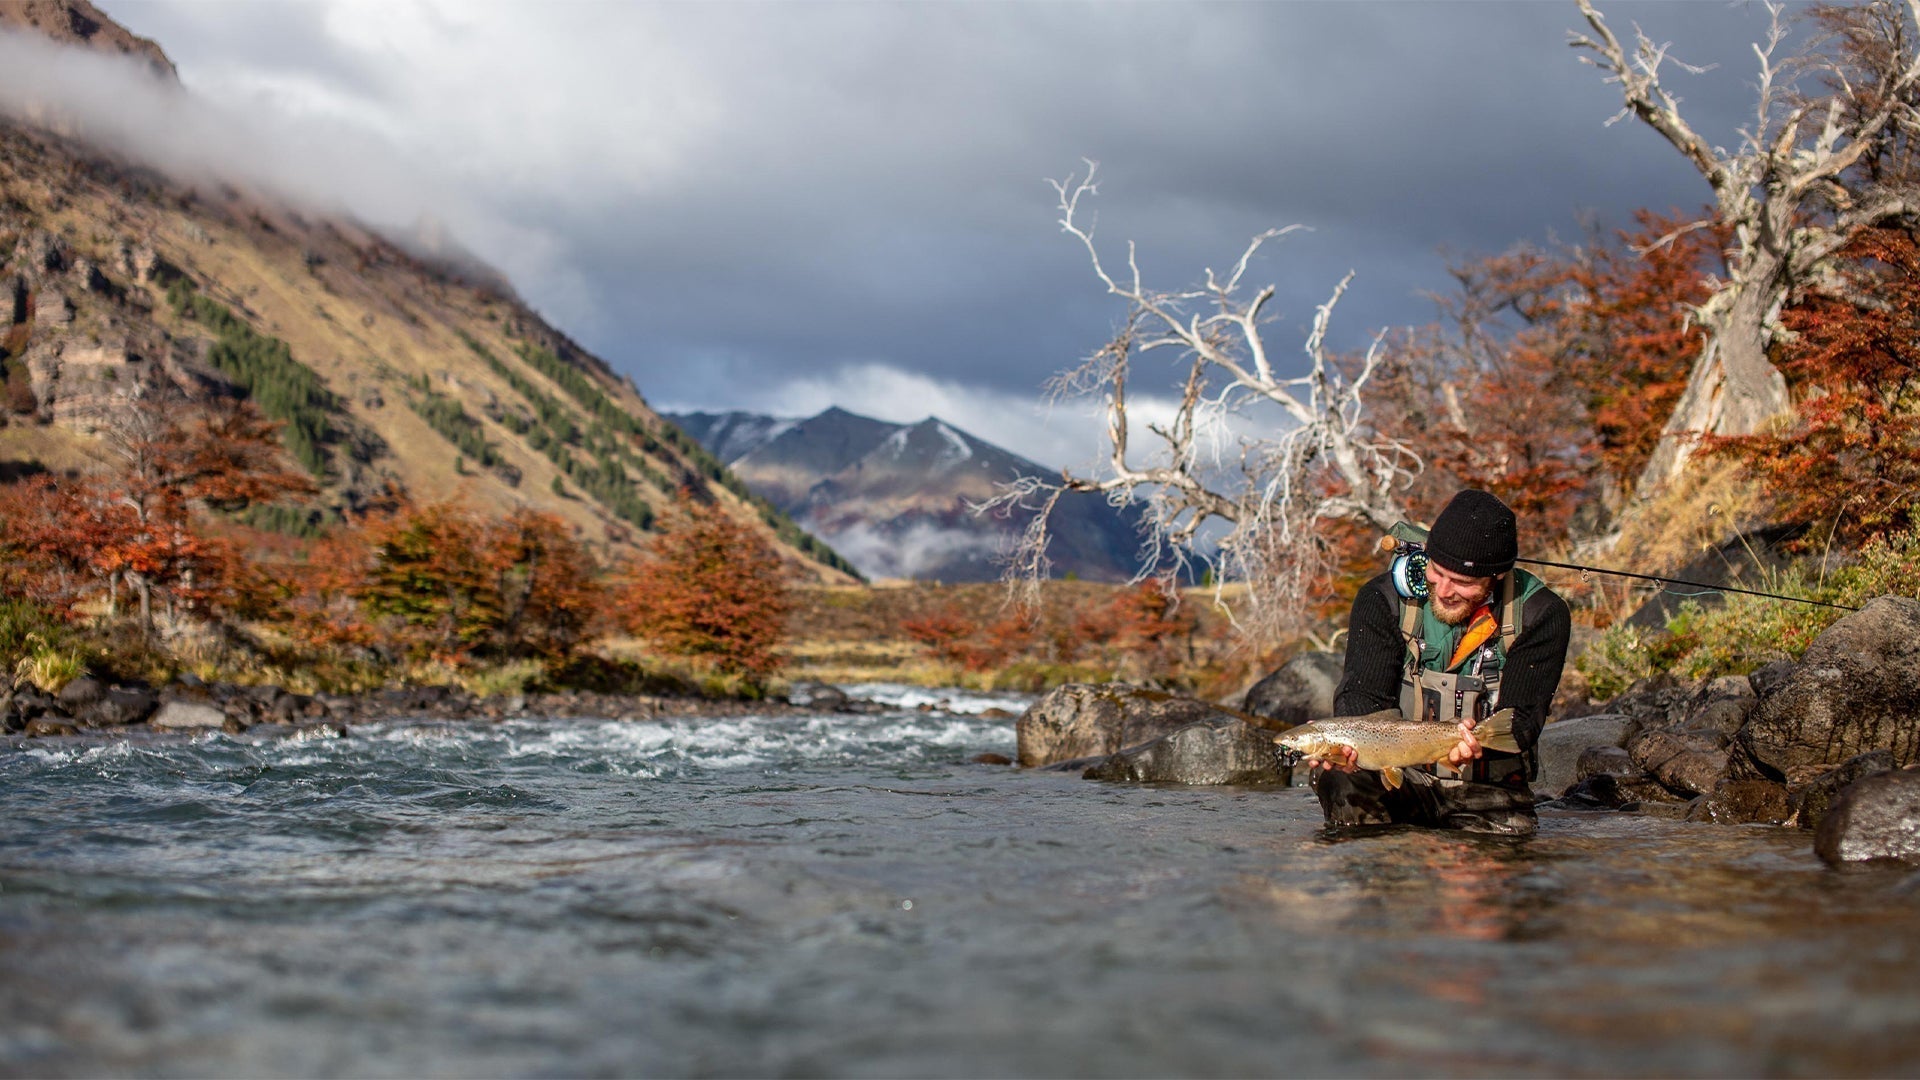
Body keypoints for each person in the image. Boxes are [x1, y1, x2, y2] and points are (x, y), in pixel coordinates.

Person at [1307, 488, 1571, 835]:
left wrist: (1473, 747)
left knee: (1496, 876)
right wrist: (1344, 744)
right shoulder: (1381, 599)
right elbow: (1362, 696)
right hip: (1403, 782)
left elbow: (1521, 723)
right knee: (1336, 780)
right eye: (1436, 571)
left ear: (1498, 576)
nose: (1443, 590)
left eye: (1461, 582)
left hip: (1489, 793)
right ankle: (1373, 873)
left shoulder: (1541, 614)